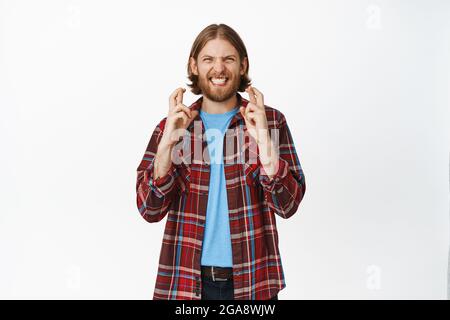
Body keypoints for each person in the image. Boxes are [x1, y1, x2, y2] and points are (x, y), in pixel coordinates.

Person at [136, 23, 306, 300]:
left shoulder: (270, 121)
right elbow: (149, 210)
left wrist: (263, 141)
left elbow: (287, 206)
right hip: (185, 284)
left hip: (253, 282)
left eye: (228, 59)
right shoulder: (173, 126)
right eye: (208, 59)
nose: (219, 68)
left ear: (242, 66)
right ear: (193, 66)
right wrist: (166, 146)